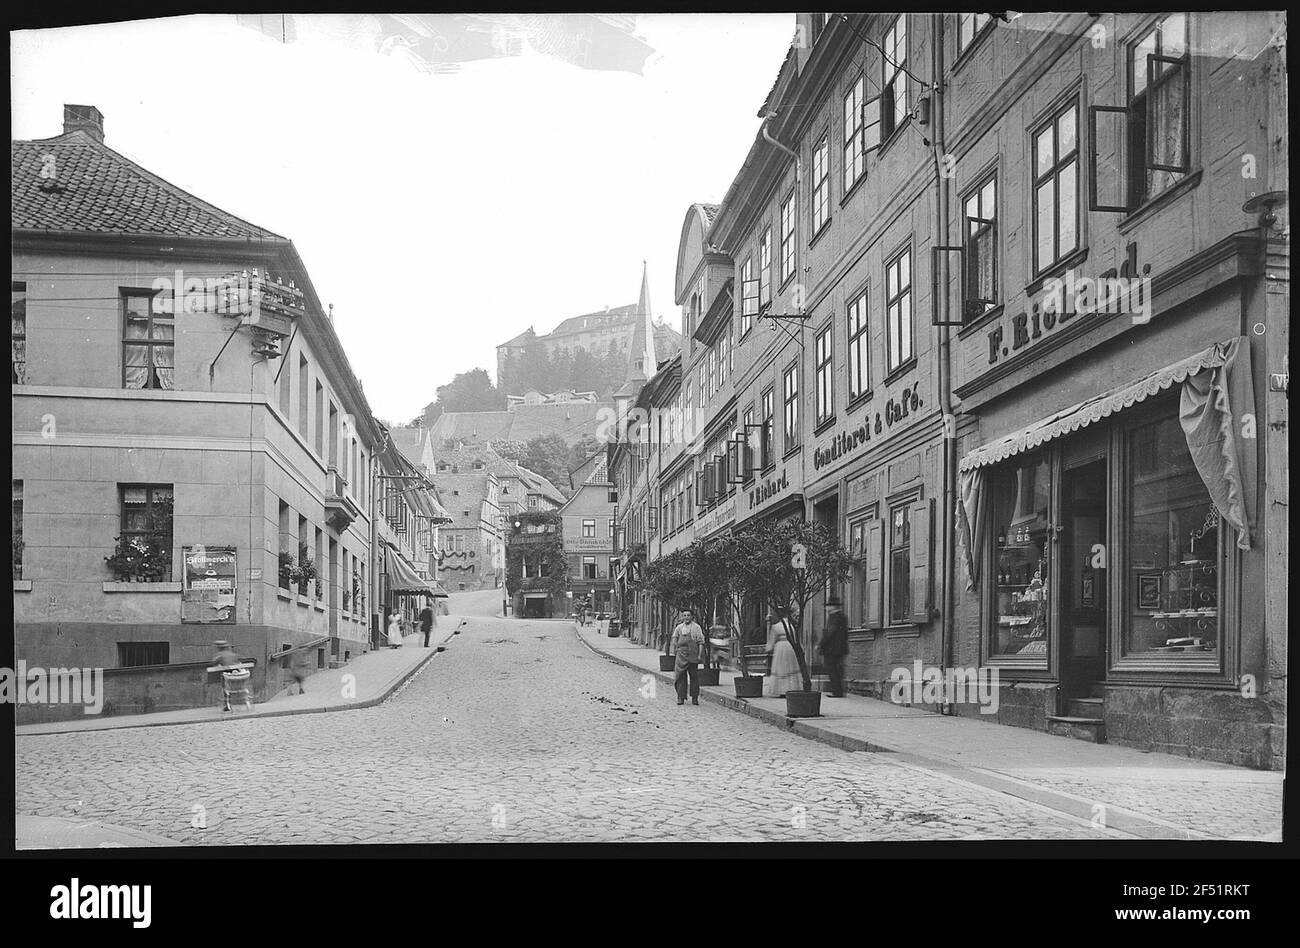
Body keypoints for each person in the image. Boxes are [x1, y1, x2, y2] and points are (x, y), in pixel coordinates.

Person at [669, 609, 707, 706]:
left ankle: (694, 697)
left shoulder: (696, 628)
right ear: (682, 617)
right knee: (680, 676)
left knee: (694, 676)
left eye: (688, 615)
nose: (686, 617)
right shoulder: (679, 627)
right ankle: (680, 697)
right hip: (681, 655)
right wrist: (676, 647)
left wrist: (699, 655)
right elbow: (674, 638)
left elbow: (701, 642)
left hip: (693, 655)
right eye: (684, 615)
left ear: (692, 617)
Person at [763, 611, 802, 697]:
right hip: (790, 646)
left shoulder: (775, 627)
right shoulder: (792, 626)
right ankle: (791, 688)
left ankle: (781, 689)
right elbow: (795, 639)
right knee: (790, 667)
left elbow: (772, 641)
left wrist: (768, 648)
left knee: (780, 668)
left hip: (780, 647)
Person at [821, 597, 849, 698]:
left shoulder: (834, 617)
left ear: (833, 607)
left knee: (833, 670)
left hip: (832, 649)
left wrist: (821, 644)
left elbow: (830, 632)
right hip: (839, 648)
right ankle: (838, 691)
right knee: (837, 670)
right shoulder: (842, 616)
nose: (826, 608)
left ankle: (837, 692)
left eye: (828, 606)